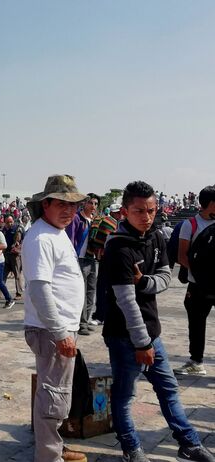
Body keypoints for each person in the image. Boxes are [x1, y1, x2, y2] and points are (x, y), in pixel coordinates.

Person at [102, 181, 214, 462]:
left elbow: (164, 276)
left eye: (151, 210)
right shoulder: (118, 247)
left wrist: (145, 282)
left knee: (168, 389)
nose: (147, 216)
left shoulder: (155, 237)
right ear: (125, 211)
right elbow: (126, 302)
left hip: (152, 332)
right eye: (139, 211)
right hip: (124, 334)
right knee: (125, 396)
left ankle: (188, 442)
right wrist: (142, 343)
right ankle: (131, 448)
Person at [22, 174, 87, 462]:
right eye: (61, 203)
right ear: (45, 204)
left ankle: (54, 447)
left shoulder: (56, 233)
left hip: (57, 328)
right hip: (50, 330)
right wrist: (61, 332)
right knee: (53, 396)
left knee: (56, 392)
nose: (68, 211)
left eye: (73, 205)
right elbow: (39, 288)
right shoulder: (40, 237)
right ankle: (48, 456)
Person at [174, 185, 215, 376]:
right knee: (196, 323)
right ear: (210, 204)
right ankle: (196, 361)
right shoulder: (190, 225)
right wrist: (204, 275)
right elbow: (182, 256)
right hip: (198, 284)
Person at [66, 193, 99, 335]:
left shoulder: (96, 221)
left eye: (96, 204)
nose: (93, 206)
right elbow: (70, 239)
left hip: (91, 259)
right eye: (91, 203)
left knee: (91, 291)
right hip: (79, 259)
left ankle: (87, 319)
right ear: (84, 203)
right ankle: (81, 322)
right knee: (82, 292)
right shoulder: (76, 219)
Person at [89, 203, 123, 324]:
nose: (121, 214)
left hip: (112, 259)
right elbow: (105, 239)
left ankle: (104, 314)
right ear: (113, 212)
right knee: (104, 287)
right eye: (119, 212)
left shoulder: (117, 223)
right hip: (107, 258)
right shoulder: (110, 222)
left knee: (107, 288)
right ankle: (101, 315)